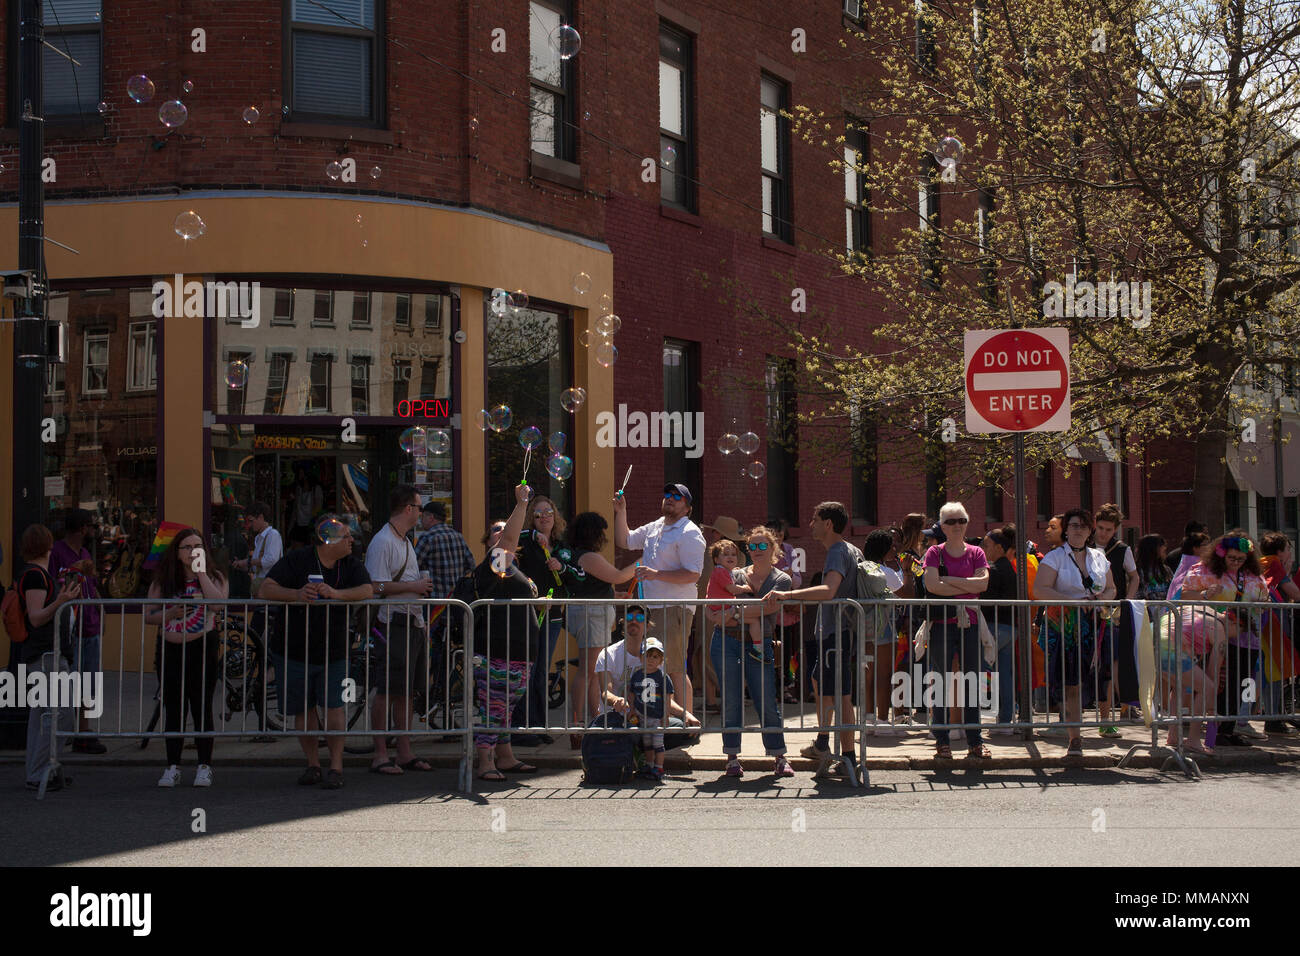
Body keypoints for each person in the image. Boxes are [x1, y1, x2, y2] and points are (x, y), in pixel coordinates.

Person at [261, 516, 371, 788]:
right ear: (328, 540)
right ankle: (312, 764)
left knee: (335, 706)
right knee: (303, 709)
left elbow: (367, 590)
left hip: (334, 649)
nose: (351, 541)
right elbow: (265, 588)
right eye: (346, 536)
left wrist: (336, 594)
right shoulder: (297, 559)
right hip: (293, 648)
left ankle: (336, 766)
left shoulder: (351, 564)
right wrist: (297, 594)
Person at [764, 501, 863, 778]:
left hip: (837, 633)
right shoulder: (852, 549)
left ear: (828, 523)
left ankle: (848, 760)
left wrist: (788, 595)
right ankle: (823, 743)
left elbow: (829, 590)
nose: (810, 524)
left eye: (815, 519)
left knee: (842, 697)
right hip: (840, 632)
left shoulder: (837, 550)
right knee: (822, 683)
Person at [705, 526, 795, 777]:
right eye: (751, 546)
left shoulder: (781, 579)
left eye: (761, 546)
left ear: (773, 548)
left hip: (759, 641)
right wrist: (721, 614)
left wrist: (730, 614)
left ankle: (778, 755)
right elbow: (710, 603)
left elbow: (767, 609)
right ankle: (732, 757)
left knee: (766, 698)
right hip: (726, 640)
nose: (756, 551)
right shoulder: (736, 574)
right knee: (731, 699)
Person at [614, 483, 706, 728]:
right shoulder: (655, 526)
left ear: (687, 507)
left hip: (674, 607)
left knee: (673, 666)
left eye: (677, 497)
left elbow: (692, 575)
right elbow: (625, 539)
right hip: (651, 608)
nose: (670, 499)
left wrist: (656, 574)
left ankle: (686, 725)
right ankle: (661, 722)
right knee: (654, 665)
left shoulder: (689, 532)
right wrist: (621, 510)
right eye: (667, 495)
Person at [144, 528, 229, 788]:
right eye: (187, 547)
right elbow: (149, 616)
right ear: (177, 552)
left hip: (202, 647)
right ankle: (172, 766)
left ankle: (204, 765)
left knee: (201, 705)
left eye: (198, 546)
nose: (193, 551)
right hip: (170, 649)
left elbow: (218, 605)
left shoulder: (215, 576)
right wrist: (169, 614)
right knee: (174, 707)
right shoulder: (163, 580)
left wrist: (201, 573)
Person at [470, 482, 541, 781]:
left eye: (505, 529)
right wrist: (522, 504)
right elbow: (509, 541)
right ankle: (485, 761)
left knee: (506, 707)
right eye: (497, 532)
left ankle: (505, 755)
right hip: (496, 651)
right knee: (493, 706)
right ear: (489, 543)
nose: (504, 534)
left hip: (520, 651)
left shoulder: (514, 569)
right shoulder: (492, 566)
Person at [1032, 508, 1118, 755]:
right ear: (1066, 530)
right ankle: (1074, 738)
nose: (1078, 529)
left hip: (1094, 624)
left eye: (1082, 525)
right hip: (1065, 628)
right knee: (1070, 683)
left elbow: (1112, 588)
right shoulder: (1055, 557)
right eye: (1073, 525)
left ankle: (1088, 728)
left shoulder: (1099, 557)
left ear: (1090, 530)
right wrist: (1072, 601)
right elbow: (1041, 589)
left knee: (1094, 679)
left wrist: (1101, 598)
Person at [364, 484, 436, 774]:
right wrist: (412, 586)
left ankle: (404, 751)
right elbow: (373, 586)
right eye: (419, 507)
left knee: (406, 691)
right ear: (409, 509)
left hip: (411, 622)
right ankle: (380, 753)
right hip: (392, 622)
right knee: (387, 689)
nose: (421, 513)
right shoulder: (383, 542)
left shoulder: (405, 541)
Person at [916, 502, 991, 759]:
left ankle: (975, 741)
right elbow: (933, 586)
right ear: (942, 526)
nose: (957, 525)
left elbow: (983, 585)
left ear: (967, 523)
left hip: (969, 624)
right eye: (950, 521)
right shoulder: (933, 553)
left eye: (961, 520)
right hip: (941, 625)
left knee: (973, 681)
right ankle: (942, 741)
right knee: (941, 681)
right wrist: (966, 588)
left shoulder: (977, 552)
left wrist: (950, 582)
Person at [1181, 534, 1270, 746]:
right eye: (1232, 558)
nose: (1236, 562)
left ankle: (1229, 729)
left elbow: (1265, 598)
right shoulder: (1204, 571)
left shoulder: (1253, 575)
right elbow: (1185, 595)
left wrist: (1262, 603)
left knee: (1241, 683)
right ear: (1221, 555)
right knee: (1220, 683)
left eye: (1241, 559)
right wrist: (1205, 594)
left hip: (1247, 638)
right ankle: (1216, 730)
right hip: (1217, 635)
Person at [17, 524, 82, 792]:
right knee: (60, 714)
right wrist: (61, 601)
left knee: (43, 715)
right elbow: (35, 617)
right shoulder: (35, 576)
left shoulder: (38, 574)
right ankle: (42, 770)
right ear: (48, 546)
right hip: (45, 655)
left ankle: (39, 769)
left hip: (46, 654)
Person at [564, 511, 638, 741]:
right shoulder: (588, 556)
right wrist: (642, 563)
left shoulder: (579, 556)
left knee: (592, 671)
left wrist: (615, 595)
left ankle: (592, 719)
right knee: (588, 671)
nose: (603, 538)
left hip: (590, 611)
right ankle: (578, 725)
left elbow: (593, 585)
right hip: (591, 614)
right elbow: (617, 575)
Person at [510, 494, 572, 743]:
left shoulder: (561, 545)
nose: (544, 517)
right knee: (528, 669)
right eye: (538, 513)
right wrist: (533, 537)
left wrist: (561, 567)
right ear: (531, 519)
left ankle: (539, 725)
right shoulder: (525, 540)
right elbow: (511, 542)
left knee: (540, 671)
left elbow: (572, 580)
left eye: (548, 512)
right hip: (528, 615)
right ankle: (524, 726)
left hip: (553, 615)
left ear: (555, 516)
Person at [594, 603, 700, 746]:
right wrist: (616, 701)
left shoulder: (655, 656)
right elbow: (606, 692)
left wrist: (686, 714)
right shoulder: (608, 654)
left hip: (647, 718)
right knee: (633, 733)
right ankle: (637, 753)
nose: (634, 620)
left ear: (648, 626)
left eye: (640, 617)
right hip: (616, 718)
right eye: (630, 617)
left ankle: (646, 755)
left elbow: (665, 698)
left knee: (688, 731)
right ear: (623, 623)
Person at [50, 509, 106, 753]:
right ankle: (67, 731)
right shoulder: (57, 552)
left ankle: (84, 730)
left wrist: (101, 611)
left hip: (90, 624)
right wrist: (74, 569)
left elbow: (92, 586)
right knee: (68, 680)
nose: (93, 532)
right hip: (71, 627)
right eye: (91, 527)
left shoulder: (85, 553)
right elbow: (52, 583)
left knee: (89, 680)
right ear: (83, 528)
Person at [857, 529, 906, 735]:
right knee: (884, 674)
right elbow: (906, 593)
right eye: (891, 546)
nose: (894, 550)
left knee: (867, 674)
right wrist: (910, 573)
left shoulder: (860, 567)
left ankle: (868, 719)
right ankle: (883, 720)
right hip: (883, 624)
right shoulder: (885, 572)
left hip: (862, 623)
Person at [1094, 503, 1140, 721]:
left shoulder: (1122, 549)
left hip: (1114, 612)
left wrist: (1127, 601)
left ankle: (1124, 707)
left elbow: (1135, 576)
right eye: (1100, 528)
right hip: (1089, 609)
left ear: (1115, 530)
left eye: (1108, 530)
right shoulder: (1085, 545)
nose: (1103, 533)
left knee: (1114, 661)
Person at [1254, 532, 1299, 735]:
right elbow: (1296, 594)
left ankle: (1271, 715)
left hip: (1265, 623)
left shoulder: (1263, 562)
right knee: (1275, 670)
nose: (1290, 552)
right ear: (1280, 551)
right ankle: (1273, 719)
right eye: (1288, 549)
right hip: (1272, 625)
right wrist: (1286, 570)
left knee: (1269, 670)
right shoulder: (1274, 563)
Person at [981, 526, 1018, 733]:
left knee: (987, 673)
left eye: (987, 545)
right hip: (1010, 627)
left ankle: (992, 716)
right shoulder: (1011, 569)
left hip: (994, 627)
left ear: (999, 547)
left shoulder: (994, 570)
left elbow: (984, 600)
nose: (984, 549)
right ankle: (1005, 721)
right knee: (1004, 674)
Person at [706, 538, 765, 661]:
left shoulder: (724, 571)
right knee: (754, 621)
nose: (730, 557)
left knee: (736, 622)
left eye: (733, 554)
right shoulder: (720, 571)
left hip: (720, 608)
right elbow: (732, 589)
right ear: (716, 560)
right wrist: (746, 588)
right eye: (725, 554)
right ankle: (758, 649)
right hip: (724, 607)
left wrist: (734, 570)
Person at [628, 637, 674, 781]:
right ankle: (649, 765)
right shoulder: (636, 675)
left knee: (658, 744)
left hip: (656, 717)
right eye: (647, 655)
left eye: (655, 657)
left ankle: (659, 767)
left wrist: (666, 715)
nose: (651, 660)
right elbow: (632, 694)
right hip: (641, 716)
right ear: (641, 657)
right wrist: (632, 710)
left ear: (661, 660)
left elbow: (667, 697)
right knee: (647, 743)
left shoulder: (662, 677)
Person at [414, 500, 475, 598]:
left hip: (435, 601)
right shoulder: (458, 536)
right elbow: (471, 564)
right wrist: (456, 575)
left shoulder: (427, 537)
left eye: (423, 517)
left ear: (431, 517)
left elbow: (413, 566)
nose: (421, 521)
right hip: (456, 600)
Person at [232, 501, 283, 597]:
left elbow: (270, 560)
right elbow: (258, 567)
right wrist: (242, 565)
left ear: (261, 517)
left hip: (269, 590)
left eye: (251, 521)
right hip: (261, 589)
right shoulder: (259, 538)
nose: (250, 525)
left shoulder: (273, 535)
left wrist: (248, 562)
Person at [288, 467, 325, 543]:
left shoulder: (316, 489)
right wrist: (290, 527)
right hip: (299, 524)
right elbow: (295, 509)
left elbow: (318, 507)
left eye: (301, 473)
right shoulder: (299, 489)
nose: (299, 475)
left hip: (310, 525)